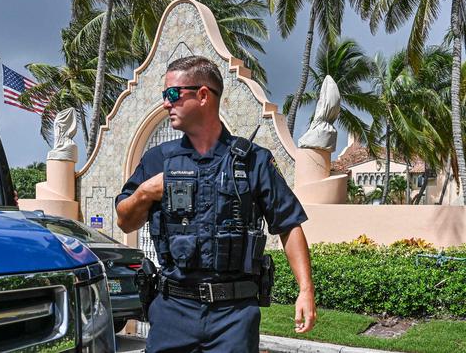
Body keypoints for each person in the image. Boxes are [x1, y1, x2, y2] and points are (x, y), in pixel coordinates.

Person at [116, 55, 316, 353]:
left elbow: (288, 224)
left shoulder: (253, 161)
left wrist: (306, 291)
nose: (165, 103)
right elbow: (125, 220)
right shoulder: (157, 160)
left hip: (233, 316)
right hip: (173, 310)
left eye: (173, 94)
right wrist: (145, 192)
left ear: (203, 95)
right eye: (164, 96)